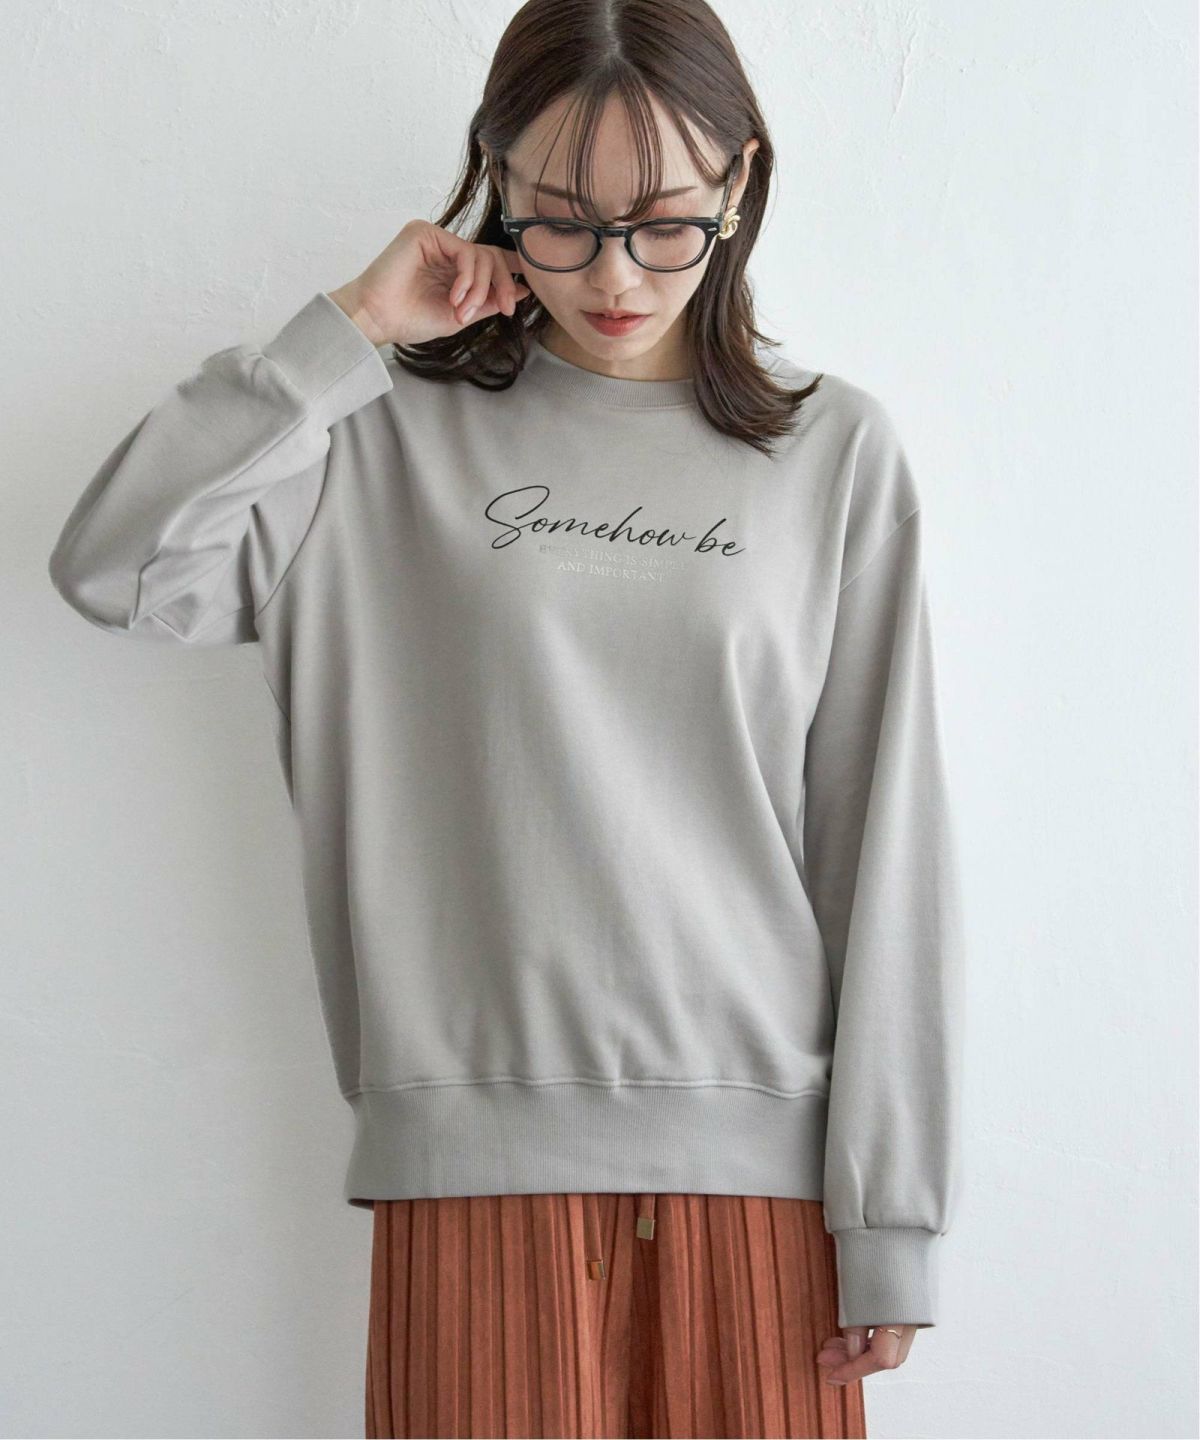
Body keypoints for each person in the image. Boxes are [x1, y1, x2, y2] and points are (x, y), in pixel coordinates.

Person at [47, 0, 965, 1435]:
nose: (615, 275)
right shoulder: (372, 433)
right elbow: (115, 569)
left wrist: (890, 1214)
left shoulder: (830, 451)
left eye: (664, 223)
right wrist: (347, 333)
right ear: (492, 180)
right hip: (469, 1172)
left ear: (740, 184)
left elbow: (884, 848)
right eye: (560, 222)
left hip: (767, 1192)